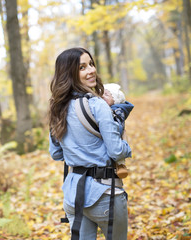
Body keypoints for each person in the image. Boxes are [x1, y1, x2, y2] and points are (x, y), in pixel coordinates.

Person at [49, 47, 131, 240]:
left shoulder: (57, 108)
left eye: (91, 64)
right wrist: (127, 148)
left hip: (73, 196)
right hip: (105, 195)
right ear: (69, 74)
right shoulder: (97, 105)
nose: (91, 70)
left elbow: (56, 154)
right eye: (82, 67)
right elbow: (116, 151)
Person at [102, 83, 134, 179]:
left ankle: (121, 166)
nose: (102, 96)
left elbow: (117, 127)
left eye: (106, 95)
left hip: (116, 136)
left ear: (115, 100)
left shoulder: (117, 111)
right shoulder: (112, 109)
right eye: (101, 94)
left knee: (117, 155)